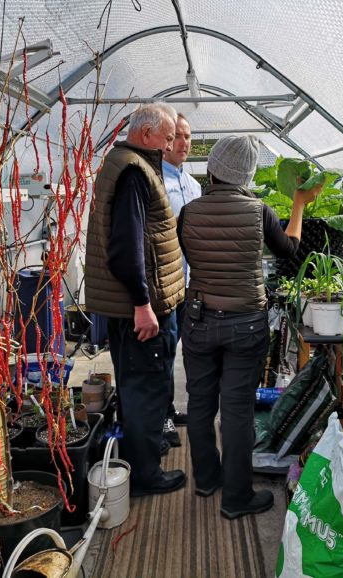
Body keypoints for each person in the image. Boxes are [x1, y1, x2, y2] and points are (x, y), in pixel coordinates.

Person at [177, 135, 321, 519]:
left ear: (213, 170)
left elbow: (191, 256)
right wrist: (298, 205)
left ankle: (207, 480)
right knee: (237, 410)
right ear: (247, 175)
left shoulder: (188, 213)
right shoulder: (259, 212)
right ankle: (237, 497)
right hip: (245, 324)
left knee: (201, 402)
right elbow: (289, 249)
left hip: (199, 319)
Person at [85, 102, 187, 497]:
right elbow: (128, 246)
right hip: (141, 310)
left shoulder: (126, 163)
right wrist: (143, 304)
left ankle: (140, 457)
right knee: (147, 389)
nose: (170, 143)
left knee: (137, 387)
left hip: (132, 307)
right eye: (166, 136)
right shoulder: (134, 172)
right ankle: (146, 476)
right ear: (146, 135)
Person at [161, 112, 202, 447]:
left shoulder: (194, 185)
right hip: (164, 286)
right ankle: (162, 420)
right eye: (178, 136)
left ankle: (173, 411)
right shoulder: (155, 182)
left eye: (187, 136)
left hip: (189, 287)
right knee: (161, 356)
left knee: (183, 353)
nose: (184, 142)